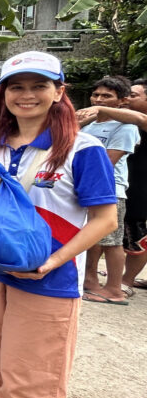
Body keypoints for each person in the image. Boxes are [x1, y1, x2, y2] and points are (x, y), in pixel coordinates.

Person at [0, 51, 117, 398]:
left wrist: (51, 263)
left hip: (49, 279)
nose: (26, 95)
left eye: (38, 86)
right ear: (3, 94)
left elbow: (105, 219)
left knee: (32, 376)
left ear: (59, 92)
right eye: (17, 86)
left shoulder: (84, 150)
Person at [79, 76, 139, 304]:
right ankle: (90, 281)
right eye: (96, 95)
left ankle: (115, 288)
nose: (99, 99)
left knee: (112, 241)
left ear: (122, 101)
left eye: (107, 96)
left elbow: (107, 162)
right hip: (87, 187)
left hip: (110, 190)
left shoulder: (126, 127)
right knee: (93, 239)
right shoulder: (91, 125)